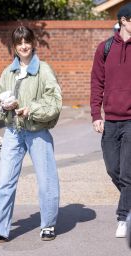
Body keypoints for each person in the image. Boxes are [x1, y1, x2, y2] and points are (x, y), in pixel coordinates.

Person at [0, 25, 62, 245]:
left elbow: (54, 104)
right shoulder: (8, 72)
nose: (23, 46)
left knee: (46, 180)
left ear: (33, 43)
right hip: (14, 131)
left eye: (27, 42)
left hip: (37, 131)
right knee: (4, 181)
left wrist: (30, 109)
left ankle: (48, 224)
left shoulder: (44, 70)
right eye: (19, 43)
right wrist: (4, 108)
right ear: (13, 47)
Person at [90, 2, 131, 238]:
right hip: (111, 121)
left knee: (127, 173)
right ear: (124, 21)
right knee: (112, 169)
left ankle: (123, 217)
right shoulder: (104, 48)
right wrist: (96, 114)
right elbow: (97, 83)